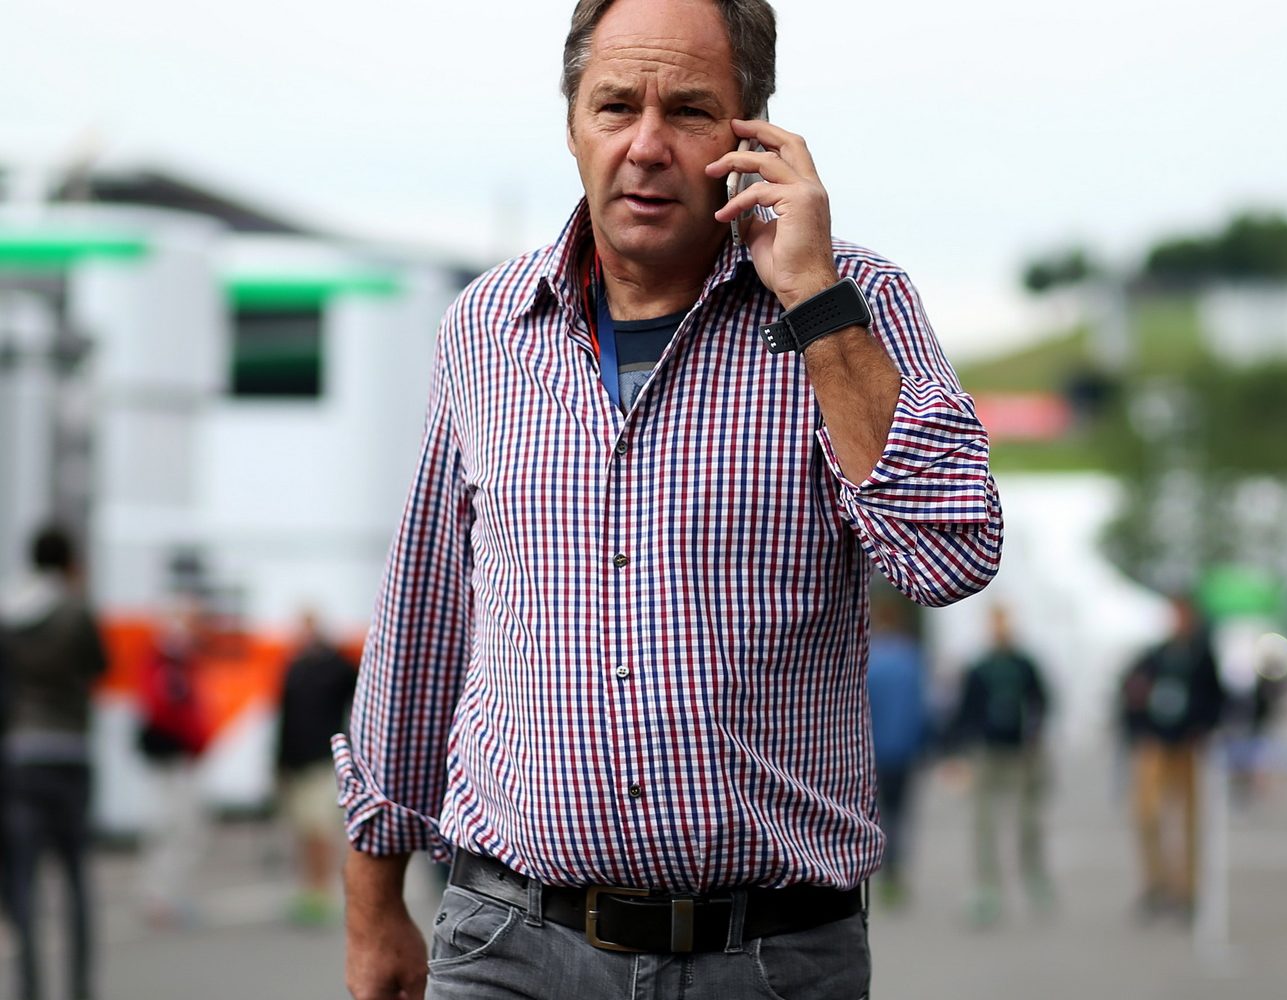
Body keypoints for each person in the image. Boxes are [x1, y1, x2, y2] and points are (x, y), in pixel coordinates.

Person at [334, 0, 1002, 996]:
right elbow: (424, 616)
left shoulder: (856, 304)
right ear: (572, 124)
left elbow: (950, 556)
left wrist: (817, 302)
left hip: (770, 957)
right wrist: (373, 901)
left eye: (688, 110)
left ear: (753, 133)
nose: (645, 146)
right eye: (615, 106)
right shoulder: (485, 326)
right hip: (509, 939)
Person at [0, 527, 108, 1000]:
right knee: (76, 877)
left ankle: (28, 986)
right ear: (68, 561)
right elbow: (99, 665)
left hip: (22, 752)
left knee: (23, 880)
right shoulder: (75, 610)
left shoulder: (8, 613)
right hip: (70, 750)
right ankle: (80, 985)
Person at [1120, 595, 1224, 923]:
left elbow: (1216, 698)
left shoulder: (1201, 656)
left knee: (1188, 819)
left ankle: (1187, 888)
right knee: (1147, 815)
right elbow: (1131, 691)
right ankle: (1156, 882)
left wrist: (1202, 728)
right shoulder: (1154, 655)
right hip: (1155, 744)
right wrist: (1138, 731)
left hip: (1186, 745)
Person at [948, 606, 1051, 927]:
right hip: (987, 752)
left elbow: (1042, 701)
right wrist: (959, 750)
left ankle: (1033, 877)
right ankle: (986, 887)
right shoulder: (979, 667)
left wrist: (1034, 734)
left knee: (1026, 821)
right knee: (984, 824)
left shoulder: (1024, 665)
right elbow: (965, 711)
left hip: (1020, 752)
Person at [275, 611, 358, 926]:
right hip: (295, 762)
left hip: (322, 761)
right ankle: (309, 890)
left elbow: (358, 692)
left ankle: (325, 893)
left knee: (321, 831)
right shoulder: (294, 666)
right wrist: (278, 763)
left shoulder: (334, 666)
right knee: (302, 832)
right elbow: (284, 718)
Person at [135, 597, 213, 927]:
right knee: (174, 826)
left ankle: (167, 895)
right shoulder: (166, 665)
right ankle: (161, 897)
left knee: (182, 828)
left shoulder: (181, 665)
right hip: (173, 758)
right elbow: (169, 714)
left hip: (182, 757)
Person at [863, 598, 927, 910]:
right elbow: (921, 707)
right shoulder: (911, 659)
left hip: (875, 748)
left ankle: (883, 868)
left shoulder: (870, 659)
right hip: (905, 749)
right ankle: (897, 871)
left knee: (880, 812)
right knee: (902, 812)